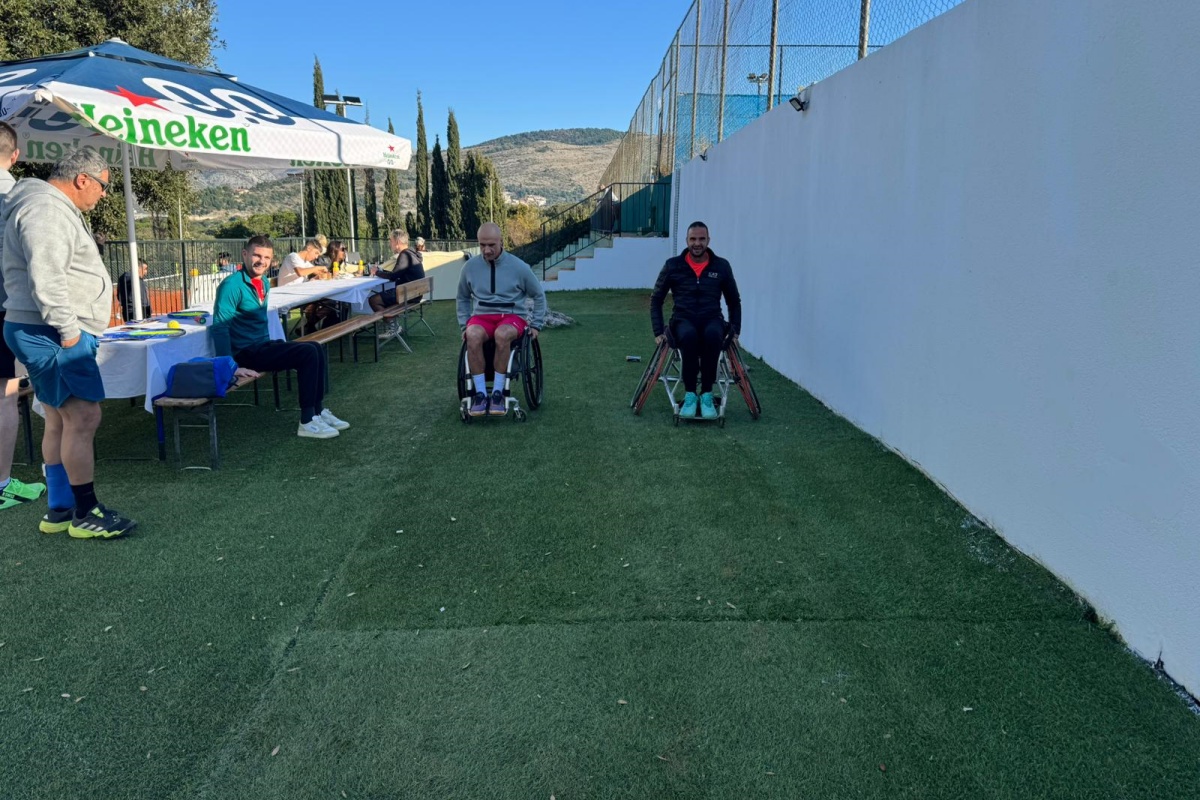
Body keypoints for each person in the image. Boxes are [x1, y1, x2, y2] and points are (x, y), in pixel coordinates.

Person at [0, 147, 134, 537]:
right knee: (84, 417)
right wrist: (70, 332)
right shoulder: (46, 209)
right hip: (52, 332)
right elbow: (47, 276)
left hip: (42, 329)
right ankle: (86, 512)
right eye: (103, 186)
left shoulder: (45, 205)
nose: (104, 195)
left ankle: (60, 509)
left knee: (59, 418)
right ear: (82, 179)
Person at [211, 235, 350, 440]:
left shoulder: (263, 283)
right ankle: (307, 421)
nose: (262, 261)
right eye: (257, 255)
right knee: (307, 353)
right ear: (245, 254)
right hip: (246, 353)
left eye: (267, 257)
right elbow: (220, 327)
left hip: (262, 346)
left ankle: (318, 411)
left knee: (315, 347)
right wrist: (231, 366)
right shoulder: (231, 285)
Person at [0, 121, 48, 510]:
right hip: (7, 307)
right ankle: (2, 482)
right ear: (15, 155)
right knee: (5, 395)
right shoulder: (15, 197)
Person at [649, 221, 741, 421]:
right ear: (686, 240)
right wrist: (658, 331)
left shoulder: (722, 266)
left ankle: (706, 395)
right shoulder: (673, 265)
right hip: (683, 319)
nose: (697, 243)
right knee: (688, 336)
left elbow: (734, 302)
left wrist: (735, 331)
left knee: (713, 335)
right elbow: (656, 300)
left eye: (701, 239)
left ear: (708, 240)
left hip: (712, 318)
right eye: (693, 239)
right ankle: (690, 395)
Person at [456, 222, 546, 417]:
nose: (486, 250)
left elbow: (539, 295)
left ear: (501, 242)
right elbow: (462, 297)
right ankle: (481, 394)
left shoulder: (519, 267)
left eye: (491, 245)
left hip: (512, 316)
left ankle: (498, 393)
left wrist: (536, 324)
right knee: (472, 334)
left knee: (502, 334)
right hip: (482, 316)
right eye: (482, 245)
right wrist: (464, 325)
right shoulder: (469, 268)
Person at [368, 229, 425, 335]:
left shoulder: (405, 255)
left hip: (407, 295)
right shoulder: (411, 254)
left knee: (373, 300)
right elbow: (397, 273)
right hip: (414, 294)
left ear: (397, 242)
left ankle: (393, 327)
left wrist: (376, 272)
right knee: (384, 297)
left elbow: (393, 276)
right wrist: (381, 272)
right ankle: (393, 324)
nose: (390, 244)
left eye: (391, 241)